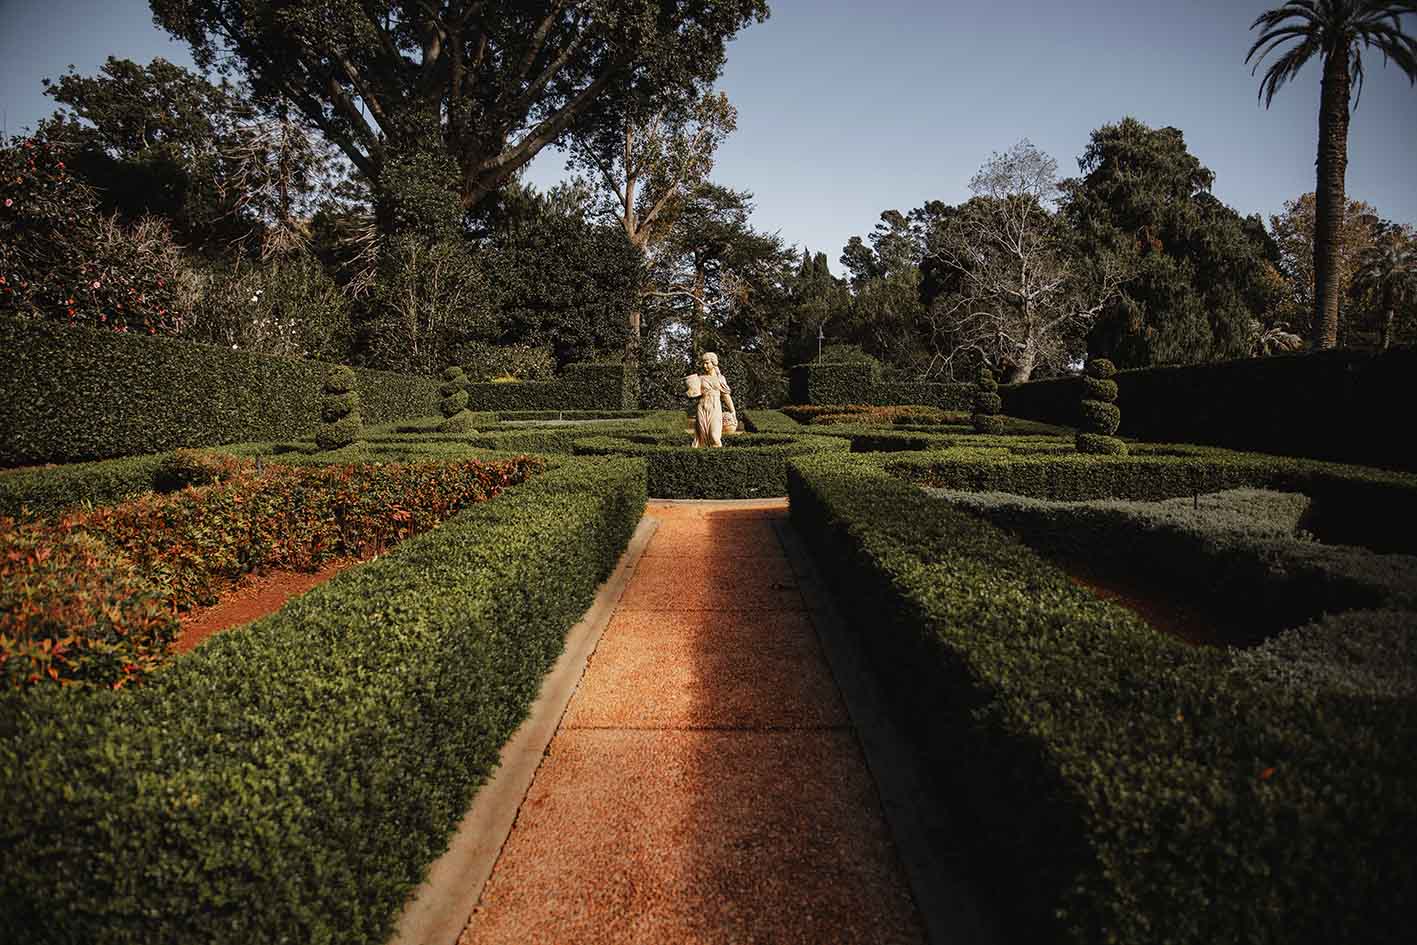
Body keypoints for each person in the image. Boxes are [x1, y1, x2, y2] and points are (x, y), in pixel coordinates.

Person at [689, 351, 736, 448]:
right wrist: (690, 391)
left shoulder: (720, 379)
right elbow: (694, 394)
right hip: (702, 408)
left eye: (707, 363)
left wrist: (732, 411)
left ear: (713, 363)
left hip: (715, 408)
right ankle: (702, 456)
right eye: (703, 363)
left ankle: (717, 456)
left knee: (714, 437)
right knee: (702, 438)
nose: (704, 365)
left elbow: (726, 396)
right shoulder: (700, 378)